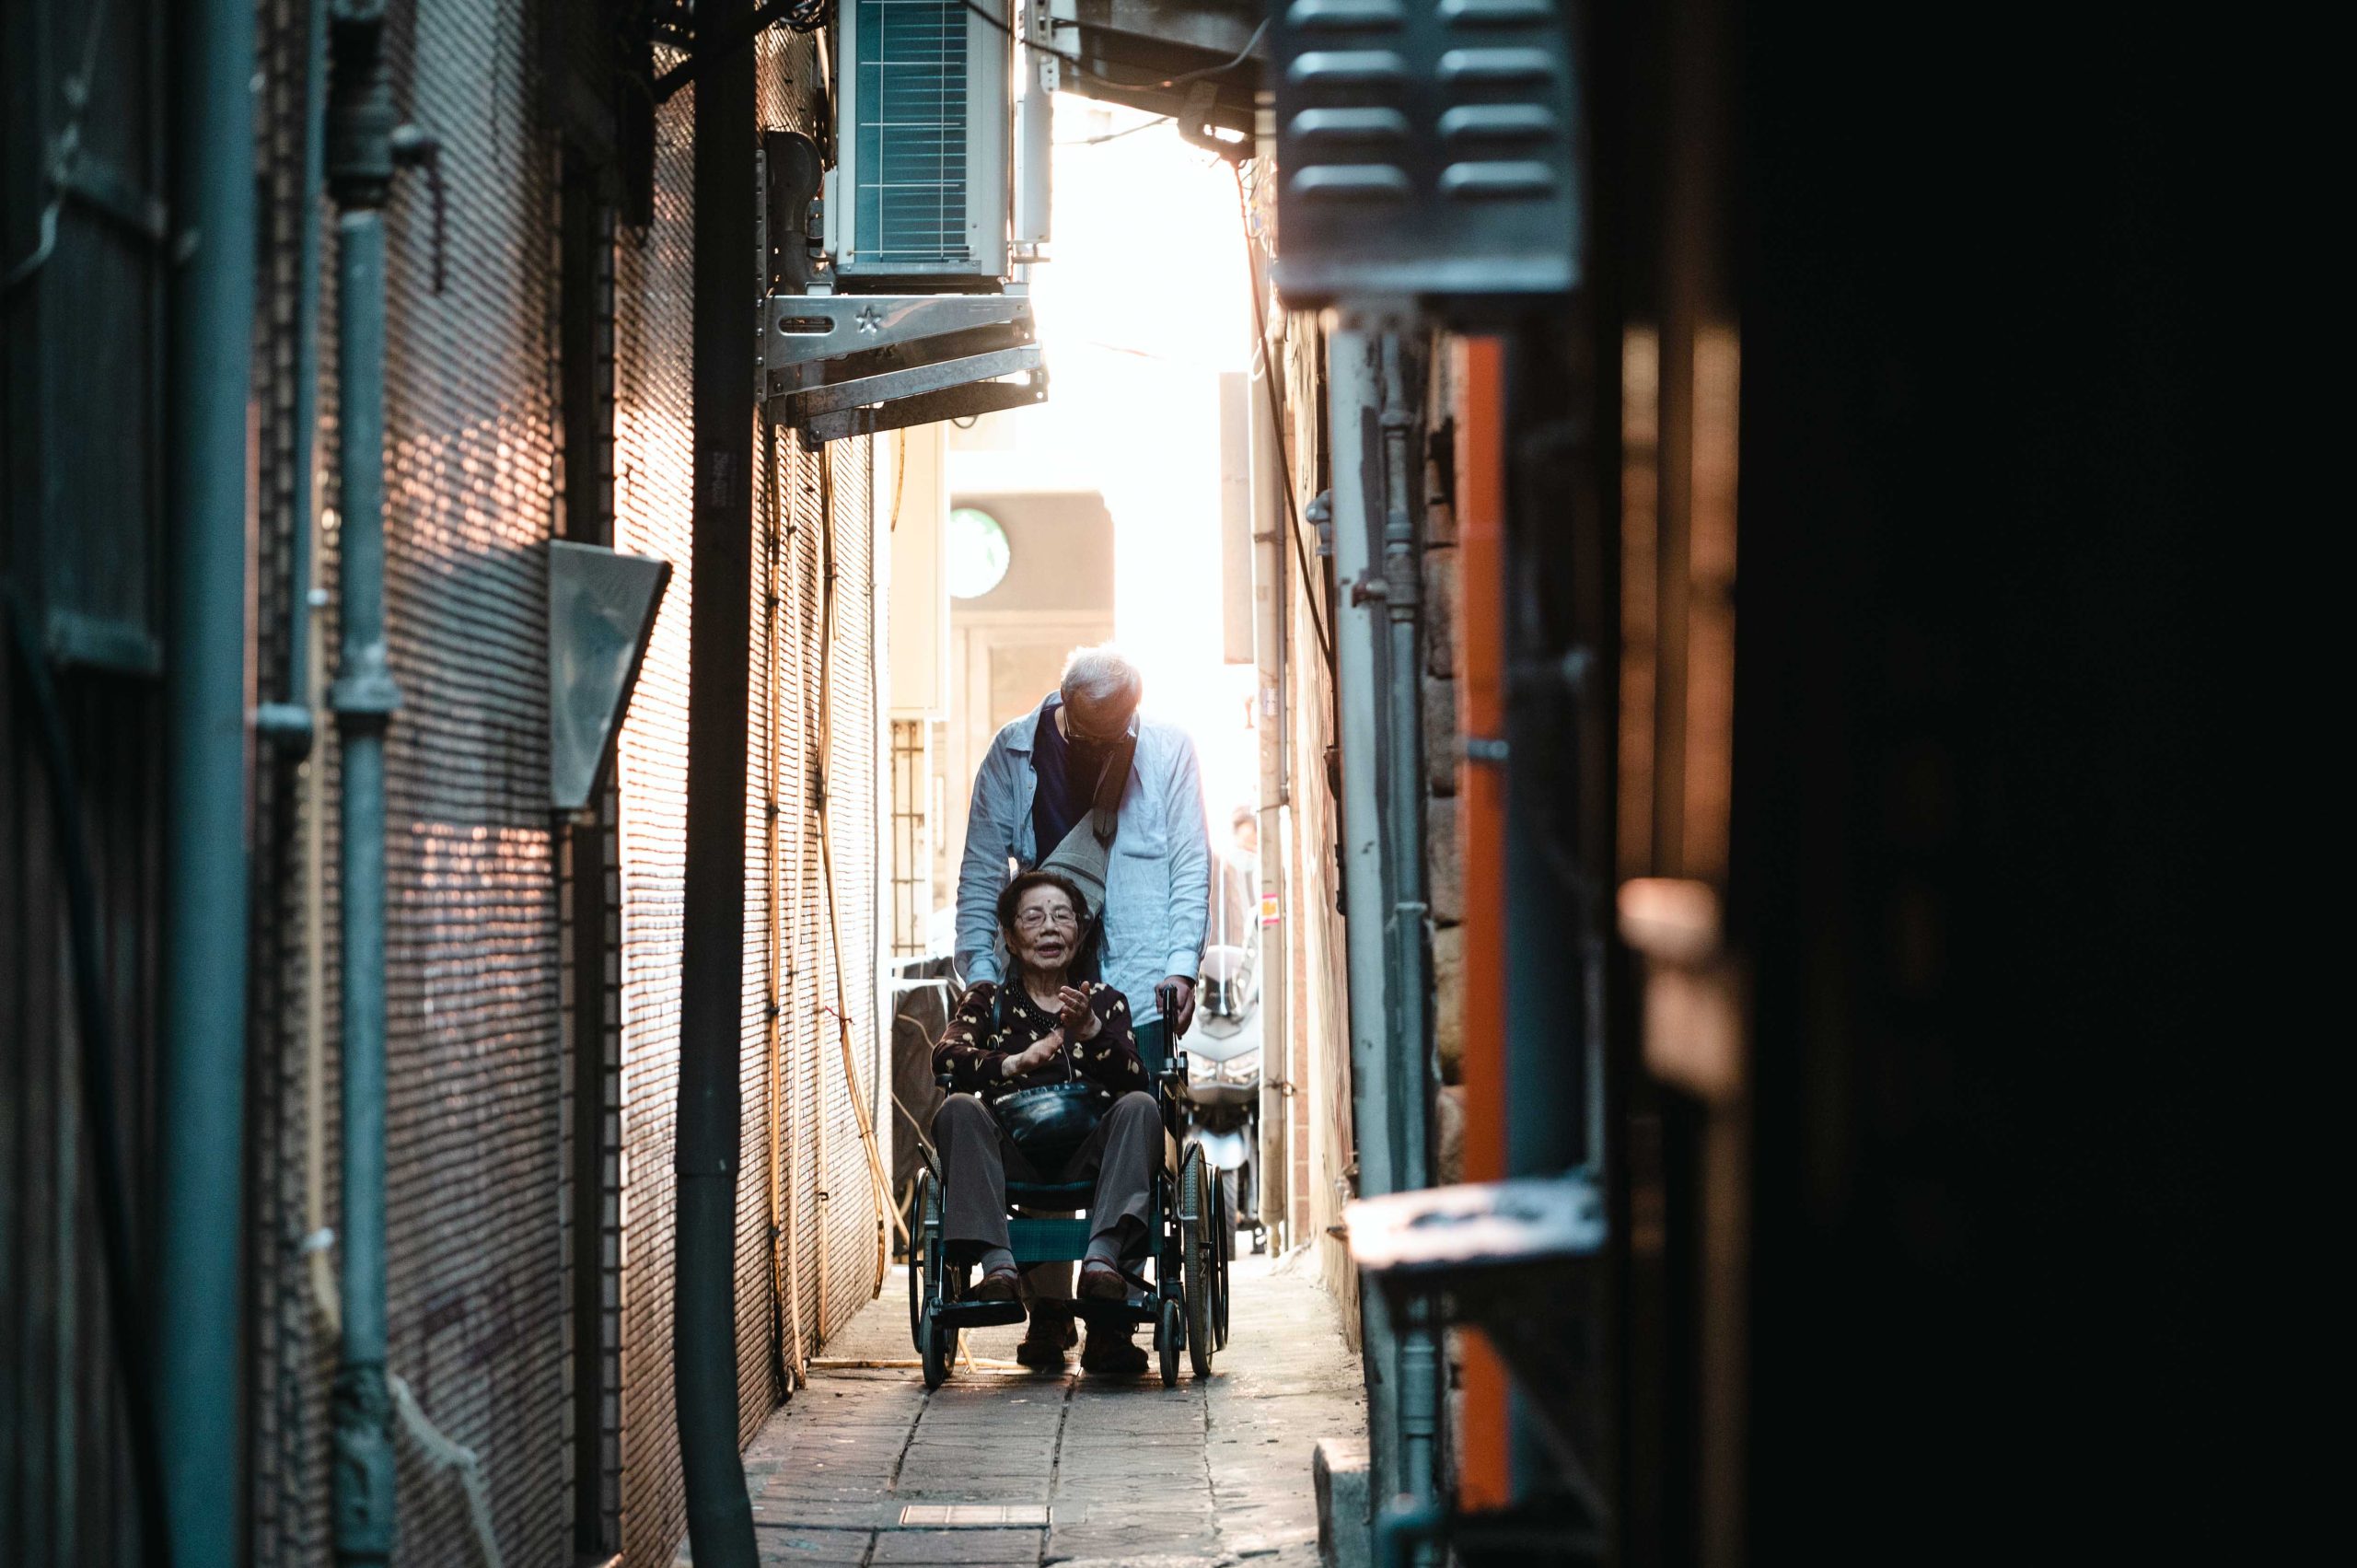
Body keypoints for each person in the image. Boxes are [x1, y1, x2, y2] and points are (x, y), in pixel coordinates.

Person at [954, 645, 1211, 1371]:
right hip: (1034, 971)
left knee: (1129, 1111)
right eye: (1093, 735)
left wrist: (1181, 967)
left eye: (1116, 734)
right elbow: (980, 871)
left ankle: (1109, 1320)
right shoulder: (1012, 753)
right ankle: (1047, 1314)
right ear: (1067, 710)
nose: (1106, 746)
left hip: (1134, 978)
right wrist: (980, 974)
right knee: (1031, 1118)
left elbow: (1192, 859)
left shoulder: (1166, 751)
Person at [931, 873, 1163, 1347]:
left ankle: (1101, 1263)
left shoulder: (1104, 1001)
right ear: (1011, 939)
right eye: (1033, 917)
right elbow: (945, 1056)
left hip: (1089, 1152)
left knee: (1140, 1106)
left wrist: (1095, 1029)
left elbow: (1136, 1079)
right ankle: (999, 1270)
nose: (1050, 928)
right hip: (1011, 1151)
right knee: (958, 1109)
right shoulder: (988, 1002)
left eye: (1062, 917)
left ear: (1079, 935)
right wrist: (1012, 1062)